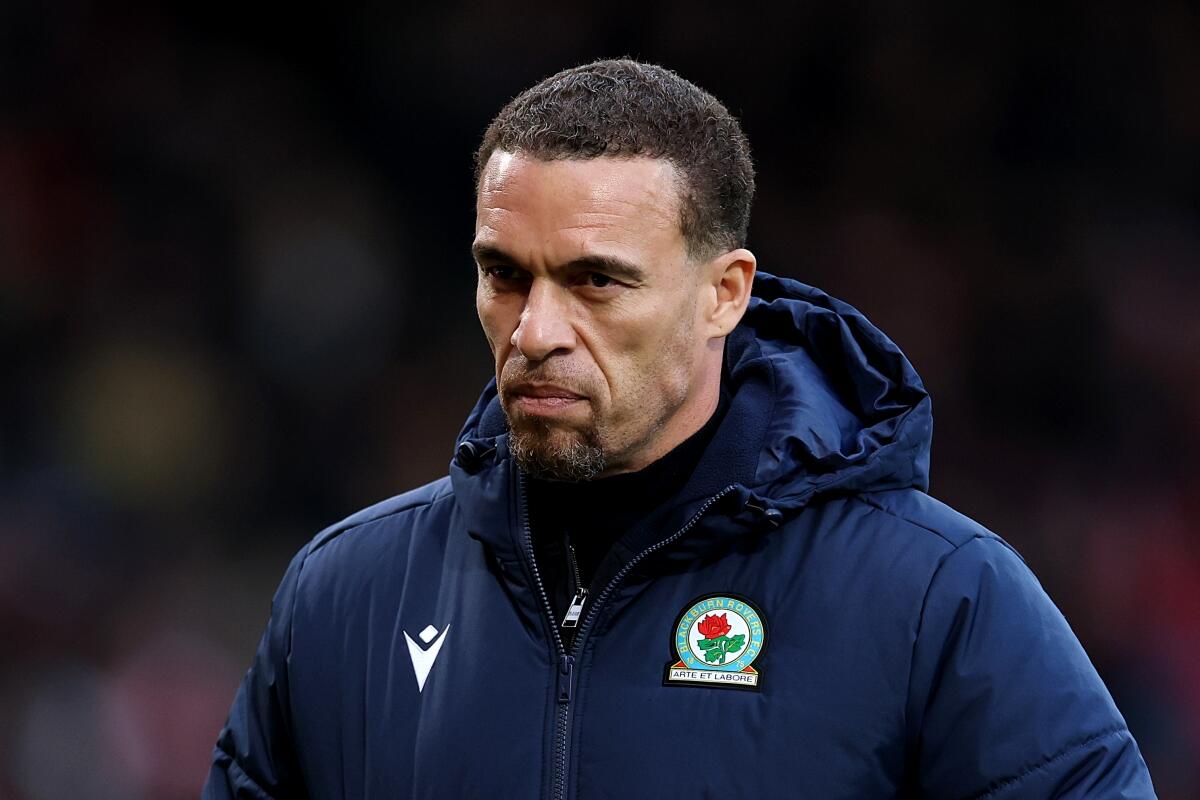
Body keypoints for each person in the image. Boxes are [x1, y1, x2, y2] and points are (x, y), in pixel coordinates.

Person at [204, 59, 1155, 799]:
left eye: (595, 280)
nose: (534, 332)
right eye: (505, 275)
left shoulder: (937, 598)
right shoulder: (346, 596)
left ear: (723, 294)